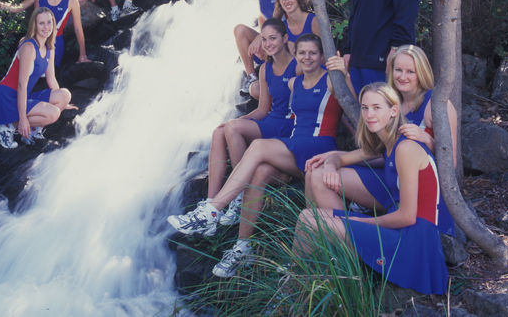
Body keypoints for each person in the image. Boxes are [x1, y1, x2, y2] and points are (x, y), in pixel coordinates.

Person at [168, 34, 343, 277]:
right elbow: (271, 93)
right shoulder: (294, 83)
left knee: (259, 147)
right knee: (258, 172)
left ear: (323, 56)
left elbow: (352, 101)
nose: (307, 57)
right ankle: (243, 247)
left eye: (313, 53)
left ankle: (212, 210)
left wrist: (342, 70)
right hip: (295, 148)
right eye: (302, 52)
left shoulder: (332, 80)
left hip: (319, 147)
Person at [296, 82, 449, 295]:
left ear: (394, 110)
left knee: (312, 223)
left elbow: (407, 217)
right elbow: (344, 158)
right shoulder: (388, 143)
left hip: (413, 241)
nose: (369, 114)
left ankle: (293, 291)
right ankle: (304, 284)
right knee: (307, 216)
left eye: (377, 107)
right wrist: (330, 162)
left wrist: (359, 220)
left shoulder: (405, 147)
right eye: (365, 108)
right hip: (401, 229)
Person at [312, 45, 457, 235]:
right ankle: (339, 243)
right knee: (317, 174)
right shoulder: (390, 101)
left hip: (418, 193)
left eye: (410, 71)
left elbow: (450, 163)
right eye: (398, 70)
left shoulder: (436, 104)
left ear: (421, 72)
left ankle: (354, 238)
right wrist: (335, 156)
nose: (402, 76)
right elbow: (377, 141)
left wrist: (427, 140)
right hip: (389, 178)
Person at [206, 18, 299, 225]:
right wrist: (236, 121)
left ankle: (239, 194)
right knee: (219, 131)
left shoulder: (298, 65)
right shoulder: (265, 68)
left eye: (273, 38)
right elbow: (262, 109)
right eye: (264, 39)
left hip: (287, 125)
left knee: (232, 127)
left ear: (285, 39)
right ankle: (209, 203)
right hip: (270, 120)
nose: (268, 44)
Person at [0, 8, 75, 148]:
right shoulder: (29, 46)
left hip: (23, 96)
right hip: (7, 97)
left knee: (65, 95)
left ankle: (32, 131)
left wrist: (63, 104)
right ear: (34, 25)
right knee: (53, 114)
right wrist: (23, 118)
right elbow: (21, 85)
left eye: (49, 22)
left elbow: (51, 79)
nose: (46, 27)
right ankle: (6, 126)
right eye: (41, 23)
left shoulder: (49, 47)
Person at [0, 0, 90, 66]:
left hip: (55, 43)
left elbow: (78, 29)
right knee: (23, 44)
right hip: (36, 39)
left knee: (47, 75)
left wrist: (83, 55)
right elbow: (18, 8)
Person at [246, 0, 318, 99]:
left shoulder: (313, 21)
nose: (287, 1)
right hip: (289, 77)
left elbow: (324, 53)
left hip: (312, 72)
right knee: (255, 88)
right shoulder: (281, 27)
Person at [233, 0, 281, 96]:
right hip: (268, 38)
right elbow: (262, 16)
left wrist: (261, 38)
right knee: (239, 30)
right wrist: (262, 39)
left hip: (284, 40)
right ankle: (251, 77)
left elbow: (279, 21)